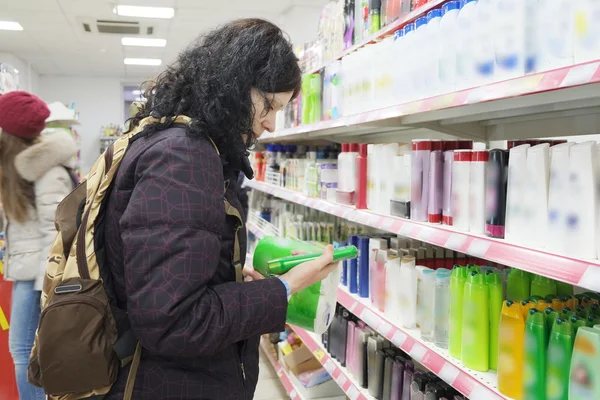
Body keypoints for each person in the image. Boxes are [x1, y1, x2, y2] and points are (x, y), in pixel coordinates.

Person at [104, 19, 339, 399]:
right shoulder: (183, 157)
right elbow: (174, 322)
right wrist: (286, 287)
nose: (270, 124)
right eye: (269, 105)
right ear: (234, 85)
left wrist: (222, 272)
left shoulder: (178, 141)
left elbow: (163, 275)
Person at [0, 91, 77, 400]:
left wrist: (45, 287)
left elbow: (56, 232)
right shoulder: (23, 168)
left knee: (24, 352)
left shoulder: (46, 171)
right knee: (25, 351)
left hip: (38, 278)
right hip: (28, 273)